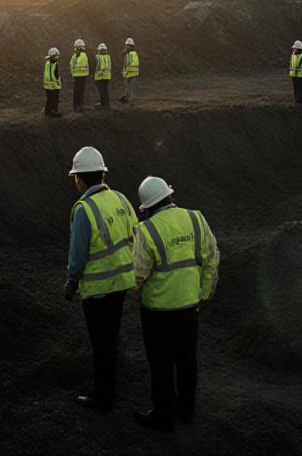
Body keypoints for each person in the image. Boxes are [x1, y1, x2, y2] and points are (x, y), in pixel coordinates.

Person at [131, 175, 220, 432]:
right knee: (187, 360)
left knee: (161, 364)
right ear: (170, 196)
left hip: (157, 312)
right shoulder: (196, 219)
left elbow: (137, 274)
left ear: (147, 207)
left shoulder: (146, 230)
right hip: (189, 307)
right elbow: (212, 259)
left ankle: (163, 416)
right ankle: (186, 411)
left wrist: (133, 290)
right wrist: (204, 293)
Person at [64, 146, 137, 412]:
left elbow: (78, 256)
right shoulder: (120, 199)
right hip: (122, 284)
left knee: (100, 344)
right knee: (111, 338)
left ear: (79, 179)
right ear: (102, 175)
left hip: (97, 290)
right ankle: (110, 387)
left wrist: (71, 285)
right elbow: (135, 235)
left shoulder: (84, 209)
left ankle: (104, 398)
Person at [70, 39, 90, 112]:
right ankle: (79, 106)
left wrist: (73, 74)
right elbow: (86, 65)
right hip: (82, 76)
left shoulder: (74, 56)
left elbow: (71, 65)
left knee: (76, 92)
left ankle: (76, 106)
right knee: (80, 92)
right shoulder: (83, 55)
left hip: (77, 76)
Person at [43, 47, 63, 117]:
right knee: (54, 99)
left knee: (49, 99)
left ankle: (47, 111)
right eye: (56, 55)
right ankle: (54, 111)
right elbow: (54, 75)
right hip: (53, 85)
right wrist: (58, 82)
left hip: (47, 85)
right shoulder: (54, 64)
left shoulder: (48, 63)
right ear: (53, 56)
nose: (57, 57)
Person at [118, 37, 139, 104]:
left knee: (132, 89)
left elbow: (134, 65)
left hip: (132, 74)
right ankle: (126, 99)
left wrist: (127, 70)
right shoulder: (128, 54)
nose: (126, 47)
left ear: (131, 46)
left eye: (127, 45)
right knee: (127, 88)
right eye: (126, 45)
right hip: (128, 74)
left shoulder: (133, 54)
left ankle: (133, 101)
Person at [94, 42, 113, 109]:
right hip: (107, 76)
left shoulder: (98, 57)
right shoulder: (108, 57)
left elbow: (96, 66)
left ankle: (104, 105)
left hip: (100, 77)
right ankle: (105, 104)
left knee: (102, 92)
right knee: (105, 91)